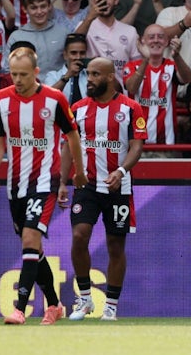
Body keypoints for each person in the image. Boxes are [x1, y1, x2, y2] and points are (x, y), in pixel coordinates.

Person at [0, 46, 87, 325]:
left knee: (31, 239)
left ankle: (19, 308)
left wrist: (77, 172)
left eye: (23, 74)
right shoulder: (1, 100)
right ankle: (55, 305)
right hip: (15, 183)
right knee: (32, 247)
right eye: (13, 74)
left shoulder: (54, 100)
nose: (17, 80)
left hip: (46, 180)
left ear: (36, 72)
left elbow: (72, 137)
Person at [61, 57, 147, 321]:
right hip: (86, 184)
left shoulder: (131, 109)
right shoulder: (77, 108)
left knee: (115, 245)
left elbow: (137, 146)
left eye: (96, 74)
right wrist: (63, 181)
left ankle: (110, 305)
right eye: (89, 74)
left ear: (111, 77)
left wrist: (121, 171)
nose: (91, 79)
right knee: (79, 236)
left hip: (117, 186)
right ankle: (85, 299)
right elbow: (68, 146)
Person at [123, 23, 191, 146]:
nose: (156, 40)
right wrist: (145, 60)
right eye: (151, 37)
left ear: (166, 42)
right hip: (137, 143)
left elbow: (187, 78)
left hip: (167, 141)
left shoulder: (171, 66)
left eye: (160, 37)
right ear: (142, 41)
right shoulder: (132, 66)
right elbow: (131, 89)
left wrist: (177, 56)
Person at [4, 0, 66, 79]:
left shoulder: (63, 33)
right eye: (34, 8)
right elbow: (8, 70)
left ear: (49, 6)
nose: (39, 12)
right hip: (28, 91)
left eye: (43, 6)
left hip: (60, 89)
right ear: (25, 9)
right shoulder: (16, 37)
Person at [44, 33, 89, 105]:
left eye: (82, 53)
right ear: (65, 55)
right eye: (73, 53)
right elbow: (48, 98)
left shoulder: (90, 75)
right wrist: (67, 76)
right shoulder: (53, 76)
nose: (78, 57)